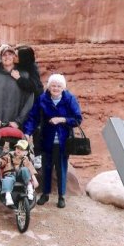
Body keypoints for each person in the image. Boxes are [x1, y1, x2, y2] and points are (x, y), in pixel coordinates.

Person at [23, 74, 83, 208]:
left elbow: (77, 119)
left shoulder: (69, 99)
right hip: (46, 139)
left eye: (59, 86)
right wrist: (27, 132)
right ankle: (45, 193)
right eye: (53, 86)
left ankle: (61, 196)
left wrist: (62, 119)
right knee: (46, 168)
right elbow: (33, 117)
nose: (56, 88)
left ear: (63, 87)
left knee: (61, 168)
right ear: (49, 87)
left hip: (63, 140)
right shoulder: (42, 99)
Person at [0, 45, 34, 130]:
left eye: (10, 54)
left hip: (18, 125)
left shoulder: (24, 75)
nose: (7, 57)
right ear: (0, 58)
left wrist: (18, 121)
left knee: (18, 144)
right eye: (4, 55)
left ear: (14, 57)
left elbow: (29, 101)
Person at [0, 139, 38, 206]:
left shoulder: (25, 159)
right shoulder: (9, 155)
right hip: (10, 174)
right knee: (8, 179)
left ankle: (29, 187)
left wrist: (34, 180)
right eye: (17, 148)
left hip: (20, 176)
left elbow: (30, 168)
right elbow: (3, 162)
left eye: (21, 149)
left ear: (26, 152)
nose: (18, 150)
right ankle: (8, 195)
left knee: (25, 169)